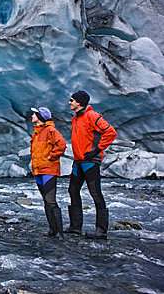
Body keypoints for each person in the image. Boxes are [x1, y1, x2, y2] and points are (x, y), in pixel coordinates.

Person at [65, 90, 117, 239]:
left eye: (72, 100)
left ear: (79, 103)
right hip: (79, 161)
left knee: (95, 193)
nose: (70, 102)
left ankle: (101, 230)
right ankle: (75, 227)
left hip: (90, 162)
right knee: (72, 191)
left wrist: (96, 151)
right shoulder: (76, 118)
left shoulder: (92, 116)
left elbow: (111, 132)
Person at [30, 106, 67, 239]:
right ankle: (52, 230)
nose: (32, 116)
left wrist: (52, 157)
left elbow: (61, 144)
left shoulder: (50, 130)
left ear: (40, 117)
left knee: (51, 201)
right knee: (46, 201)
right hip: (39, 171)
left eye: (34, 114)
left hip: (48, 170)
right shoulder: (36, 133)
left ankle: (60, 233)